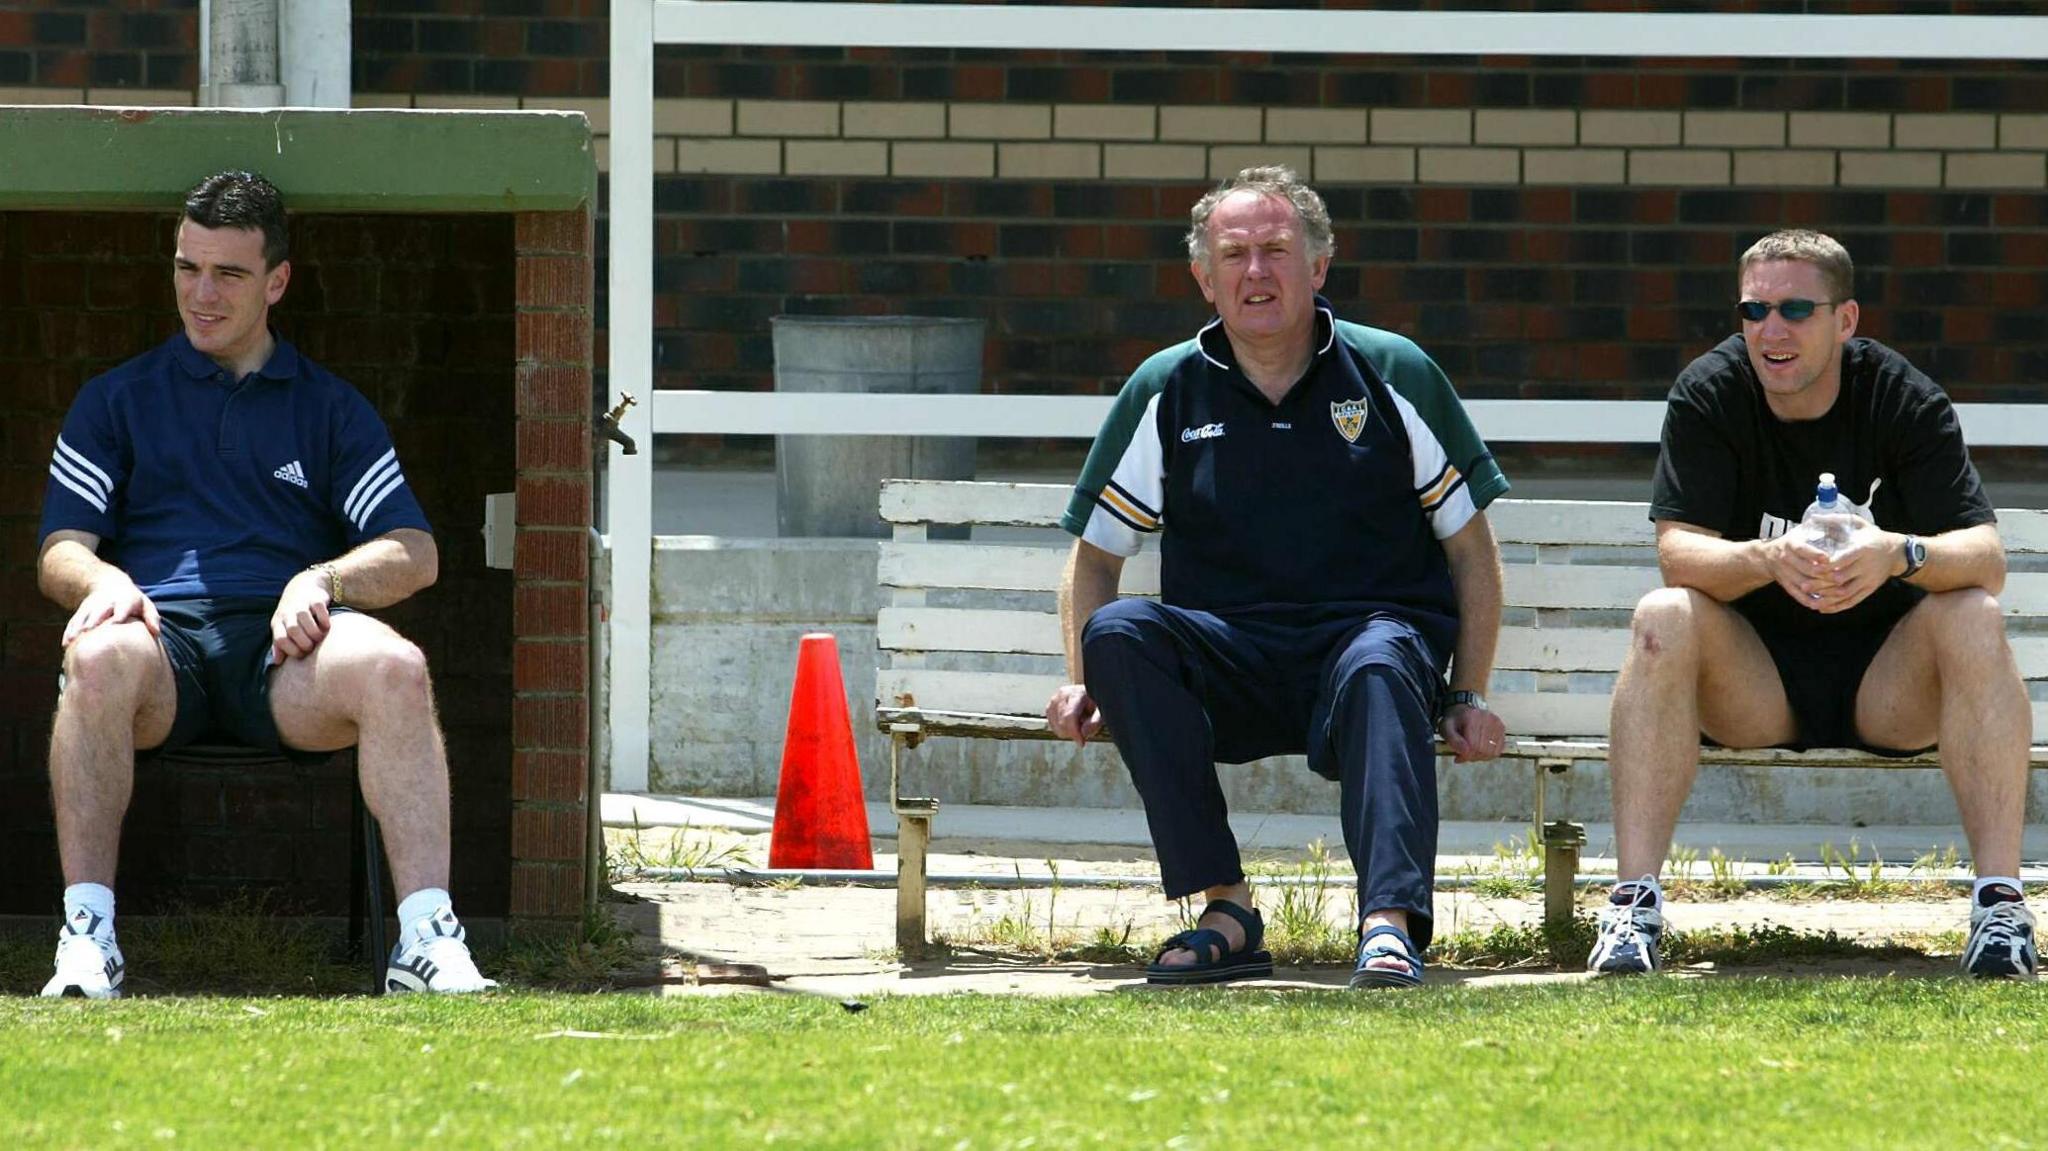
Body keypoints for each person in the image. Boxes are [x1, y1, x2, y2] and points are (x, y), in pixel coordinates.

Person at [1044, 166, 1510, 989]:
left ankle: (1388, 925)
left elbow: (1472, 550)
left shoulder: (1394, 371)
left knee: (1379, 657)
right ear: (1203, 278)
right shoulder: (1166, 387)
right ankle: (1226, 908)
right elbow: (1096, 557)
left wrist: (1467, 694)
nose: (1255, 272)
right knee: (1117, 630)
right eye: (1234, 255)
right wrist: (1085, 681)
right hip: (1230, 655)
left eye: (1276, 250)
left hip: (1364, 650)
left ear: (1319, 266)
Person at [35, 170, 496, 997]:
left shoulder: (329, 408)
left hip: (288, 655)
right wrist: (101, 578)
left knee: (398, 668)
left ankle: (427, 942)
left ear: (277, 281)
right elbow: (59, 549)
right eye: (187, 268)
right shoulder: (118, 399)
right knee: (95, 656)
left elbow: (414, 551)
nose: (200, 293)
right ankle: (86, 939)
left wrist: (321, 578)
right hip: (157, 649)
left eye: (229, 274)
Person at [1591, 229, 2034, 979]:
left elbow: (1985, 559)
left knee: (1974, 616)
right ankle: (1633, 906)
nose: (1771, 330)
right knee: (1662, 614)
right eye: (1754, 309)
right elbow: (1679, 552)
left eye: (1796, 309)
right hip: (1755, 685)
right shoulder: (1710, 391)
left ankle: (2000, 907)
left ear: (1846, 319)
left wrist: (1896, 552)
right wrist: (1769, 557)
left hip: (1887, 690)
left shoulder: (1902, 396)